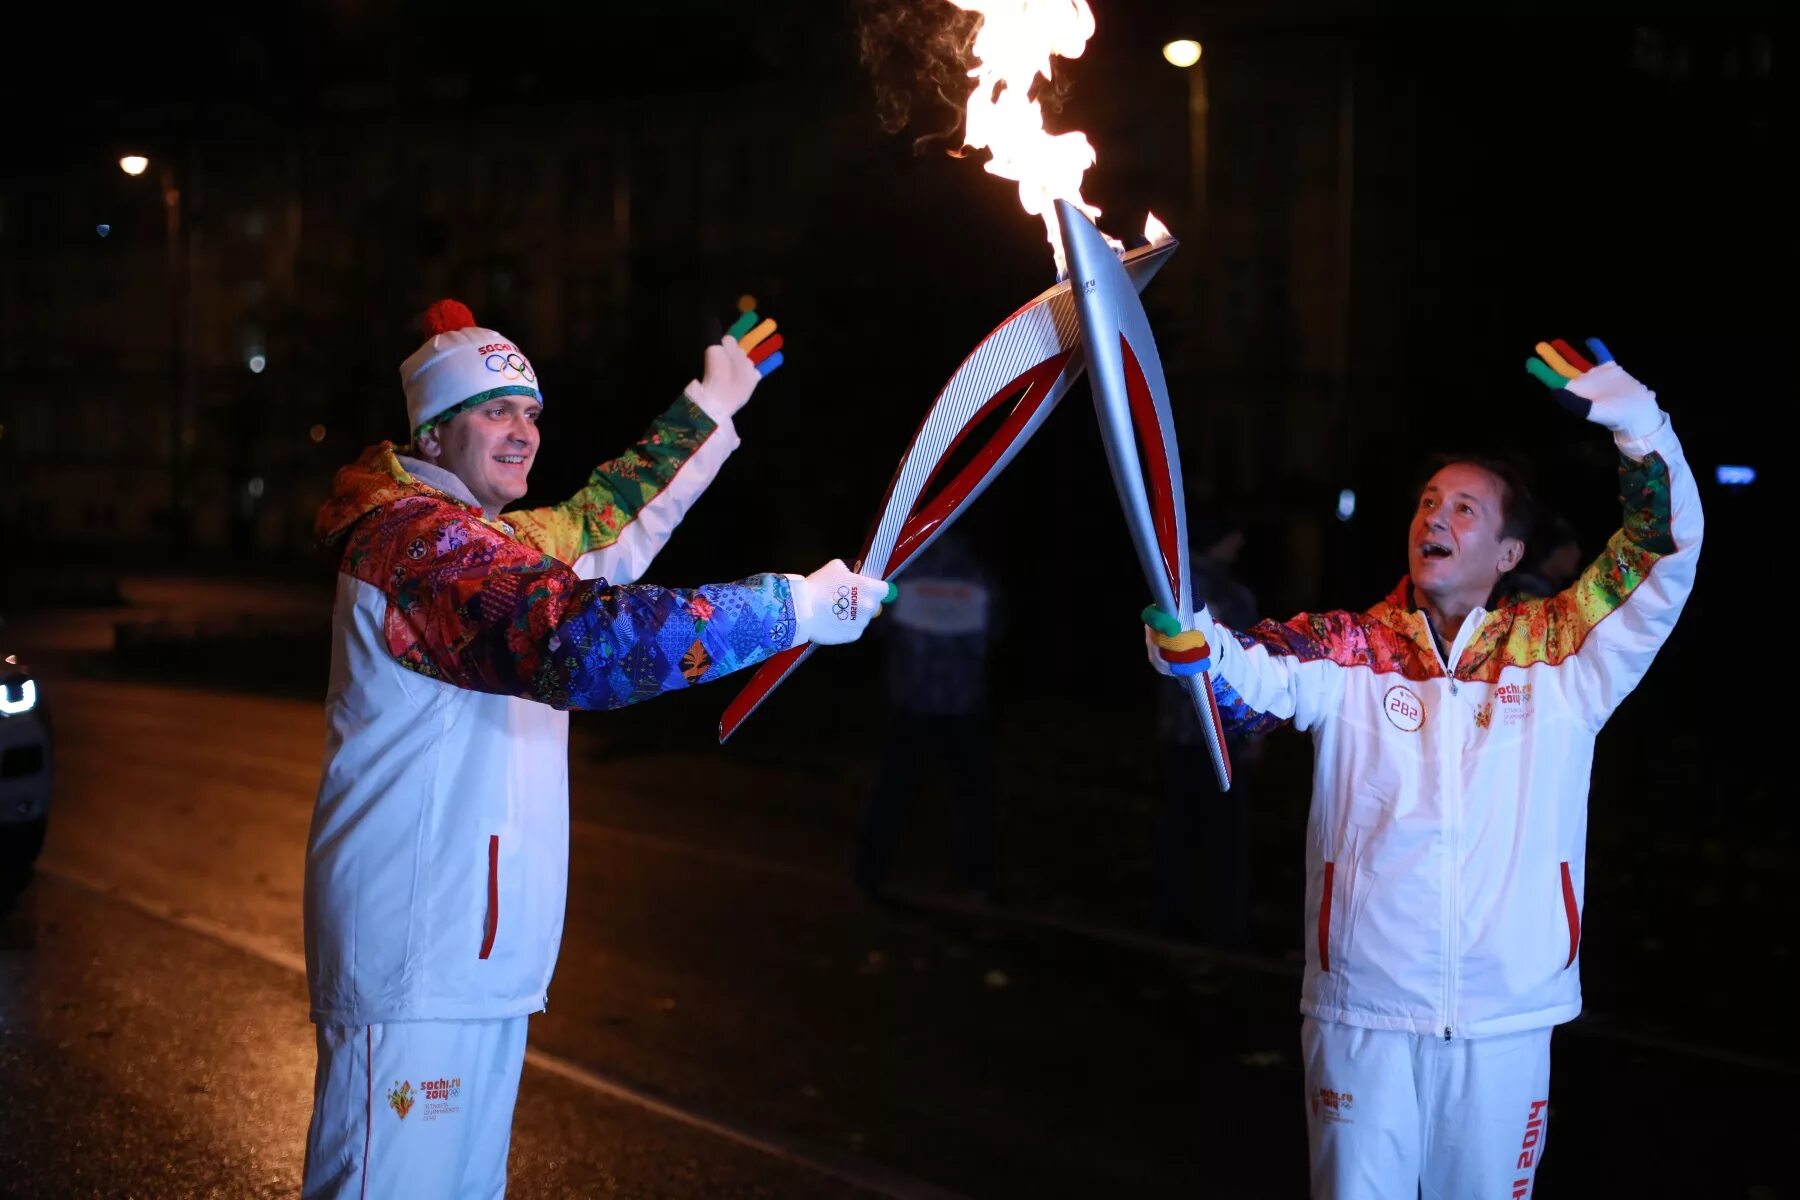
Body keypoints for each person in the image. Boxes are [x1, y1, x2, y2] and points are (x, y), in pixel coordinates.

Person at [301, 299, 891, 1198]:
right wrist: (790, 608)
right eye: (497, 411)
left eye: (532, 413)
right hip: (417, 959)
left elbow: (611, 518)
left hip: (479, 955)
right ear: (434, 429)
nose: (523, 432)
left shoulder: (498, 542)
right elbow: (586, 645)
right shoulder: (420, 548)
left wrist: (712, 405)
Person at [1143, 337, 1701, 1198]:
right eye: (1429, 502)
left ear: (1510, 553)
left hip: (1508, 1022)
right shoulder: (1354, 648)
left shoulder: (1562, 655)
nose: (1435, 518)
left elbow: (1662, 557)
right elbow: (1247, 672)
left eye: (1466, 509)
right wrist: (1190, 644)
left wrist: (1639, 423)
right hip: (1364, 1015)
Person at [853, 529, 998, 903]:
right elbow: (995, 631)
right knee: (969, 796)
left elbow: (878, 627)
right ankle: (978, 879)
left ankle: (871, 874)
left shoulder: (906, 576)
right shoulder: (977, 576)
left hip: (911, 701)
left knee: (894, 792)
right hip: (961, 704)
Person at [1153, 515, 1261, 945]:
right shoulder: (1231, 596)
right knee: (1225, 834)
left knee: (1176, 828)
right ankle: (1226, 925)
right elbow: (1248, 672)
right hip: (1222, 738)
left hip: (1178, 733)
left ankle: (1170, 917)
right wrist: (1253, 737)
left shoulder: (1172, 591)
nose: (1239, 543)